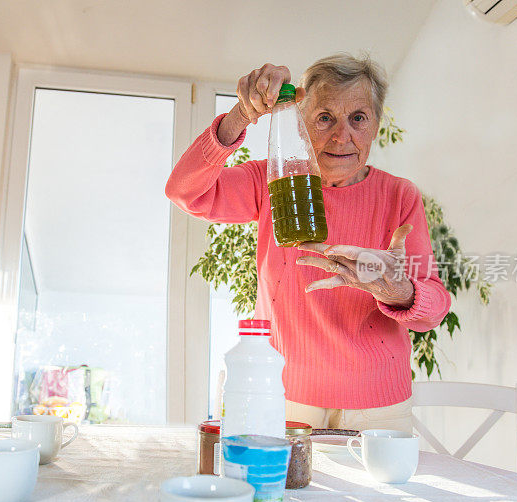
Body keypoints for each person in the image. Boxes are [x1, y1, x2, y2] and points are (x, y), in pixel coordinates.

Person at [165, 54, 451, 432]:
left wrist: (399, 290)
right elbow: (185, 191)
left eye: (358, 118)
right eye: (325, 117)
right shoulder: (274, 180)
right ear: (301, 121)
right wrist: (241, 115)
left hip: (378, 404)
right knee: (277, 492)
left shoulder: (399, 195)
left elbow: (433, 309)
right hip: (283, 393)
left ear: (377, 125)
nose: (341, 135)